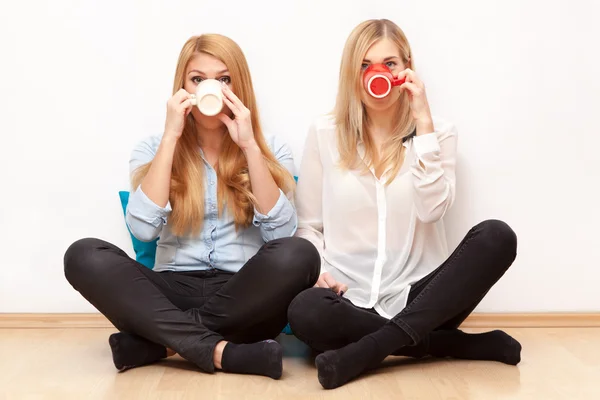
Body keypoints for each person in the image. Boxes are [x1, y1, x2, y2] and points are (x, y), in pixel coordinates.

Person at [64, 33, 320, 379]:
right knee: (82, 255)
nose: (210, 89)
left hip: (244, 295)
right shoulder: (152, 148)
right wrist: (171, 136)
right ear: (183, 88)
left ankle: (163, 344)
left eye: (223, 79)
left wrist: (249, 147)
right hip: (171, 292)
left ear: (238, 86)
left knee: (300, 254)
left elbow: (282, 234)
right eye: (198, 80)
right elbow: (142, 228)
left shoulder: (269, 148)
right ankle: (224, 353)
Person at [287, 19, 520, 389]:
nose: (377, 73)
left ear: (406, 68)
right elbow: (308, 225)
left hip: (421, 297)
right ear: (352, 72)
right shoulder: (324, 132)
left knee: (497, 237)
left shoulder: (438, 132)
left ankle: (368, 349)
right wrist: (318, 272)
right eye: (365, 65)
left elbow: (432, 210)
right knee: (304, 311)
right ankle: (445, 345)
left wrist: (422, 121)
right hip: (347, 296)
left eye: (389, 63)